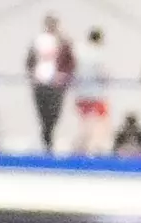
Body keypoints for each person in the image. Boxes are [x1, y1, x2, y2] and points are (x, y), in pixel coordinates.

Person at [25, 14, 73, 153]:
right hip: (40, 83)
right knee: (42, 113)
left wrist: (63, 76)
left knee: (54, 113)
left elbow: (70, 63)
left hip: (56, 85)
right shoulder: (38, 41)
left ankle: (49, 137)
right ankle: (46, 140)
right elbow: (30, 60)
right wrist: (32, 75)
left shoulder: (63, 43)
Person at [72, 28, 111, 156]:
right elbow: (103, 75)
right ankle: (93, 149)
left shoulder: (79, 52)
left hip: (81, 94)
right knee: (99, 123)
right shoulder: (98, 54)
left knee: (83, 122)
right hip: (97, 95)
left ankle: (80, 148)